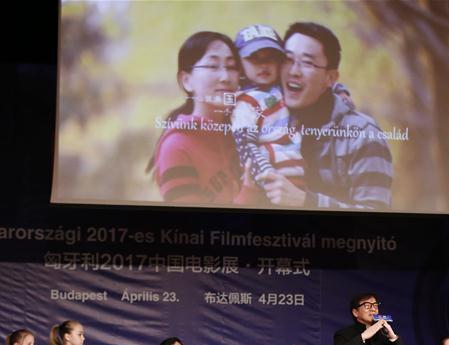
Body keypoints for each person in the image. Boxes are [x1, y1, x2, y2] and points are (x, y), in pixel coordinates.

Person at [258, 22, 393, 209]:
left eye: (307, 63)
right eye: (288, 59)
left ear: (330, 78)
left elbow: (376, 214)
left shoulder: (363, 135)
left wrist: (307, 201)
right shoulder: (265, 117)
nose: (294, 71)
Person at [148, 31, 259, 205]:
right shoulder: (176, 147)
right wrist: (249, 194)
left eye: (231, 67)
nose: (225, 77)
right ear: (186, 80)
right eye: (212, 66)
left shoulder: (242, 131)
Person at [231, 24, 304, 192]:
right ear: (239, 64)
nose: (263, 64)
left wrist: (340, 90)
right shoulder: (246, 103)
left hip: (300, 174)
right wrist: (267, 176)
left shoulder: (283, 87)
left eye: (271, 57)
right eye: (254, 58)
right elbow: (245, 145)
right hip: (273, 182)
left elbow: (314, 84)